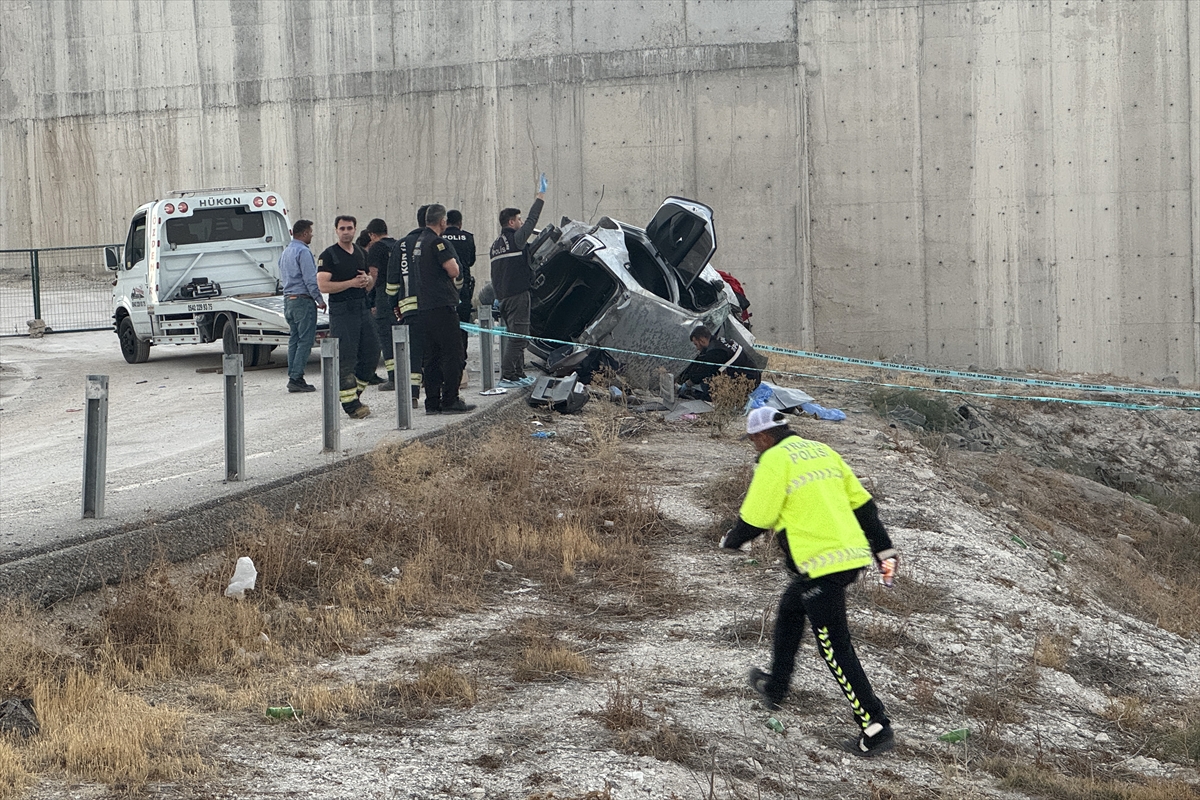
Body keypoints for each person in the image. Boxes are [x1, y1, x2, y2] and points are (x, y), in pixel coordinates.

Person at [719, 407, 899, 757]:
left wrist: (732, 540)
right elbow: (864, 506)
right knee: (790, 609)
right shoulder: (822, 450)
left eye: (754, 441)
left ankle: (875, 726)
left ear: (762, 437)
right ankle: (776, 687)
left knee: (834, 648)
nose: (755, 448)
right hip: (849, 558)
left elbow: (759, 516)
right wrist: (884, 549)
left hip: (820, 565)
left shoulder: (773, 460)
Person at [413, 204, 475, 414]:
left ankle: (432, 401)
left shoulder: (420, 242)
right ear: (442, 222)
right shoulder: (438, 242)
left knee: (431, 356)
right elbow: (453, 270)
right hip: (442, 305)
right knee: (453, 354)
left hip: (424, 306)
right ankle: (450, 399)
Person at [317, 215, 378, 419]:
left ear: (354, 230)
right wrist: (350, 283)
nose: (346, 232)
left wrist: (366, 280)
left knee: (371, 355)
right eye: (342, 228)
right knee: (346, 358)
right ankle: (351, 406)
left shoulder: (361, 252)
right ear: (336, 230)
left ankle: (353, 395)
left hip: (362, 307)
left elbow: (369, 283)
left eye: (349, 228)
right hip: (342, 311)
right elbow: (323, 285)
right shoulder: (329, 255)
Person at [489, 173, 546, 389]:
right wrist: (541, 196)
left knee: (517, 336)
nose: (522, 223)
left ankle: (518, 373)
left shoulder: (496, 244)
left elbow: (496, 272)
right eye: (519, 220)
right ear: (511, 222)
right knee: (518, 338)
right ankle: (508, 376)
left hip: (503, 297)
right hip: (518, 295)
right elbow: (532, 221)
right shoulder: (516, 239)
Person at [386, 205, 428, 409]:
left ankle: (412, 395)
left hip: (409, 309)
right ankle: (437, 392)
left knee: (415, 351)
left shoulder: (401, 245)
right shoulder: (437, 242)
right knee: (437, 350)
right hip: (436, 308)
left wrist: (393, 305)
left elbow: (392, 281)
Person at [279, 219, 326, 393]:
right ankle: (296, 378)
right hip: (302, 301)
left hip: (288, 300)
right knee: (306, 340)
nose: (312, 234)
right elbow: (310, 279)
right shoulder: (303, 252)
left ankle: (293, 375)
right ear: (304, 233)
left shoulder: (286, 252)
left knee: (294, 339)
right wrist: (319, 299)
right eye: (311, 232)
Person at [677, 325, 761, 400]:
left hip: (749, 382)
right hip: (754, 375)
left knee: (706, 384)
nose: (697, 348)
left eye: (696, 344)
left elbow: (702, 372)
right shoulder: (719, 341)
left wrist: (687, 384)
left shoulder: (715, 351)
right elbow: (702, 361)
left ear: (702, 340)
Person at [363, 218, 397, 390]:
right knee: (401, 335)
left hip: (384, 296)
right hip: (400, 296)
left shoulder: (377, 247)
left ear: (372, 234)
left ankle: (393, 378)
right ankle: (408, 373)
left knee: (386, 336)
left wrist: (368, 294)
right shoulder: (398, 245)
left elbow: (374, 274)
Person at [441, 209, 476, 366]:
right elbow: (471, 261)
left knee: (444, 325)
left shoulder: (439, 238)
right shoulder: (468, 237)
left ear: (446, 222)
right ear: (460, 223)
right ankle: (461, 358)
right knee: (463, 324)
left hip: (444, 288)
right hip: (464, 288)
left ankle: (446, 359)